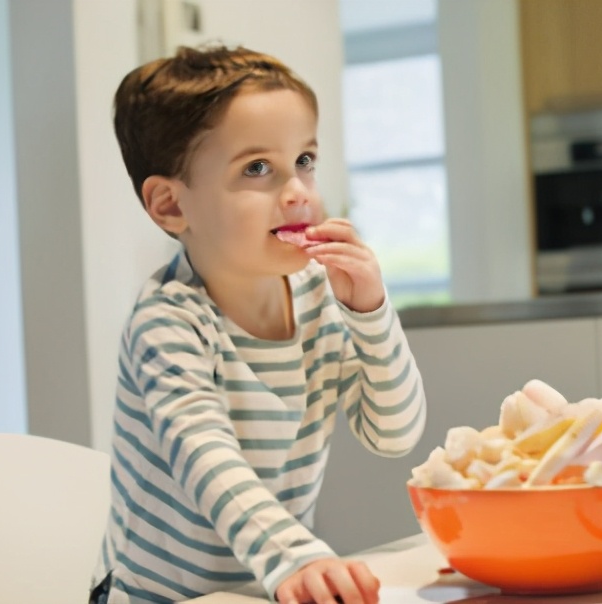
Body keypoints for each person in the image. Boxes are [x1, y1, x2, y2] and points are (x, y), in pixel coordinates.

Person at [90, 45, 427, 604]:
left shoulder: (317, 295)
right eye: (257, 168)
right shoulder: (168, 322)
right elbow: (208, 461)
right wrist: (301, 557)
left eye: (305, 161)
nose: (298, 191)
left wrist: (370, 312)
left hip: (261, 590)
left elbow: (392, 434)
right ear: (171, 206)